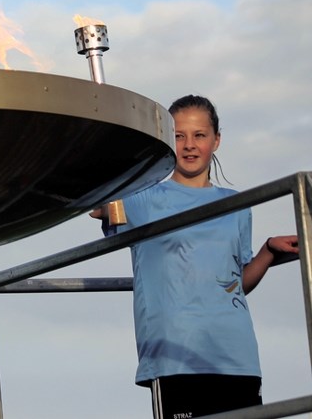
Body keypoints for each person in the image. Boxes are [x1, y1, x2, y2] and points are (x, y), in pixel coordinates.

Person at [92, 94, 299, 418]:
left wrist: (266, 252)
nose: (189, 145)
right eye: (178, 135)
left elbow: (234, 284)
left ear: (215, 140)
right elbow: (96, 203)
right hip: (175, 358)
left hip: (236, 356)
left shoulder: (237, 203)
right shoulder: (143, 198)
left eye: (199, 135)